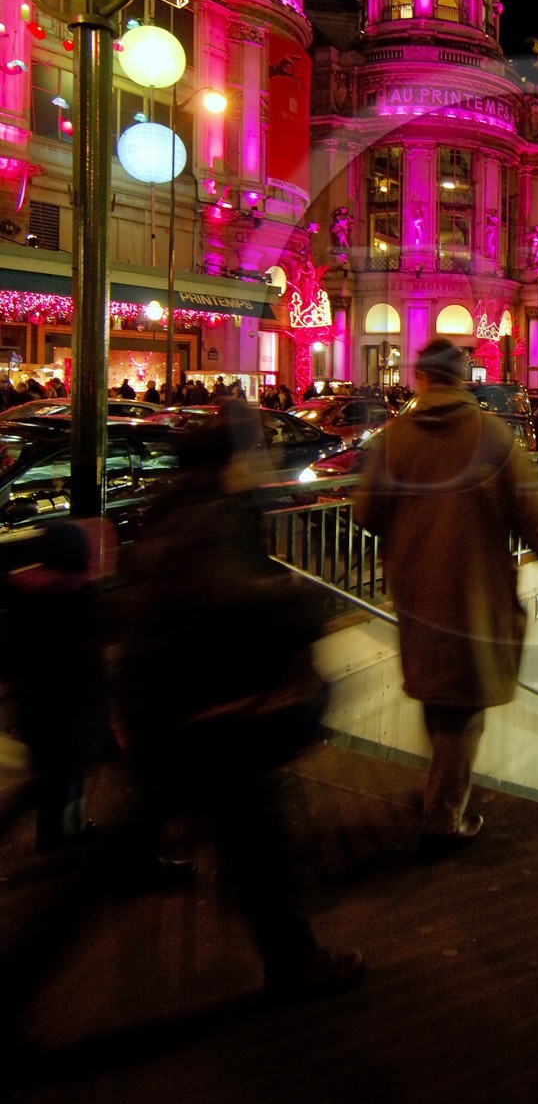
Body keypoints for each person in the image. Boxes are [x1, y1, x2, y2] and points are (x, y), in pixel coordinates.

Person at [115, 399, 364, 998]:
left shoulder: (178, 502)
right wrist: (297, 605)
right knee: (260, 829)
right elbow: (219, 597)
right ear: (239, 457)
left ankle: (286, 950)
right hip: (203, 710)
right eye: (260, 451)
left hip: (166, 700)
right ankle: (293, 960)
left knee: (212, 821)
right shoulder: (211, 513)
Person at [353, 336, 538, 860]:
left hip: (416, 588)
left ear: (422, 379)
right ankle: (444, 818)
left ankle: (438, 799)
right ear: (462, 379)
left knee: (436, 694)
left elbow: (365, 512)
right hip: (475, 591)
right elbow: (531, 511)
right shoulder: (491, 437)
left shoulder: (395, 438)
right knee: (464, 706)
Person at [0, 519, 116, 851]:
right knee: (64, 776)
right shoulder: (80, 600)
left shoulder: (21, 595)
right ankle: (62, 833)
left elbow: (9, 656)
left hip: (38, 707)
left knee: (59, 775)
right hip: (72, 708)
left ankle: (63, 830)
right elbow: (90, 659)